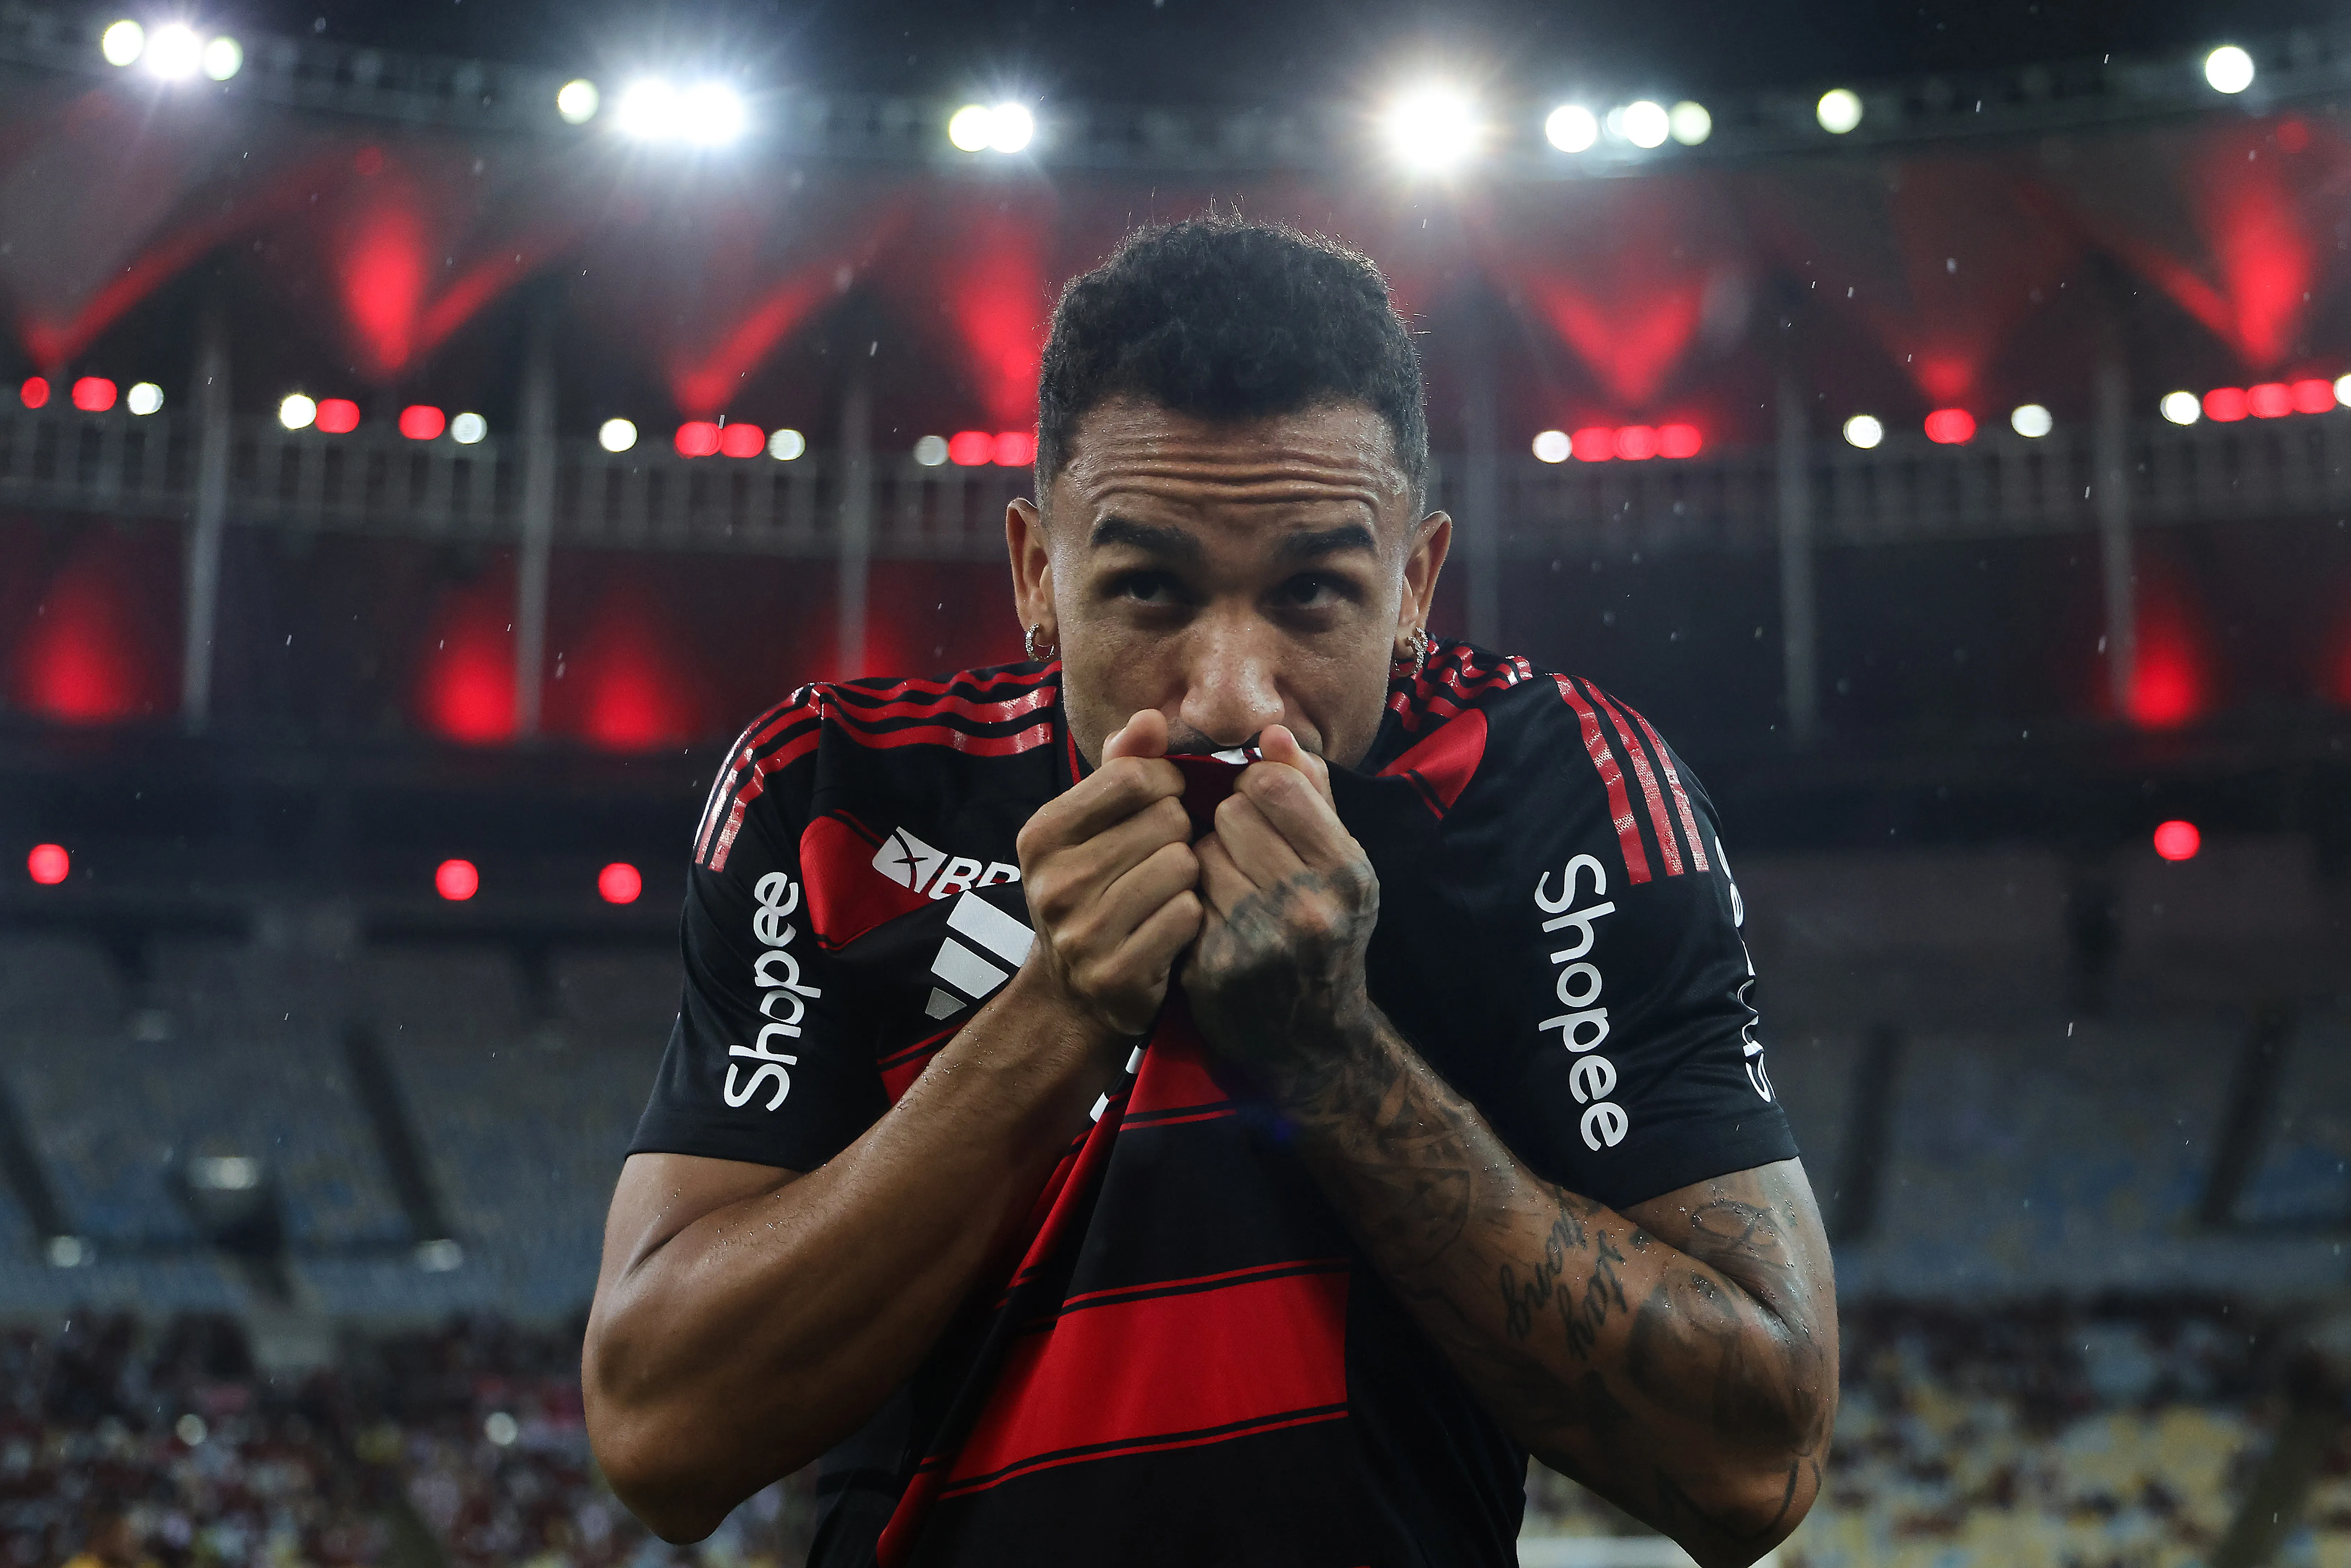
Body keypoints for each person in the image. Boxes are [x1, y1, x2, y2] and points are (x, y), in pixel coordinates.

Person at [583, 215, 1838, 1568]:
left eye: (1311, 593)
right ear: (1036, 575)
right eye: (1148, 589)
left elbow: (1751, 1466)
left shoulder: (1552, 791)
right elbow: (662, 1440)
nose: (1228, 695)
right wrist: (1056, 1008)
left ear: (1413, 583)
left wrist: (1330, 1056)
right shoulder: (831, 792)